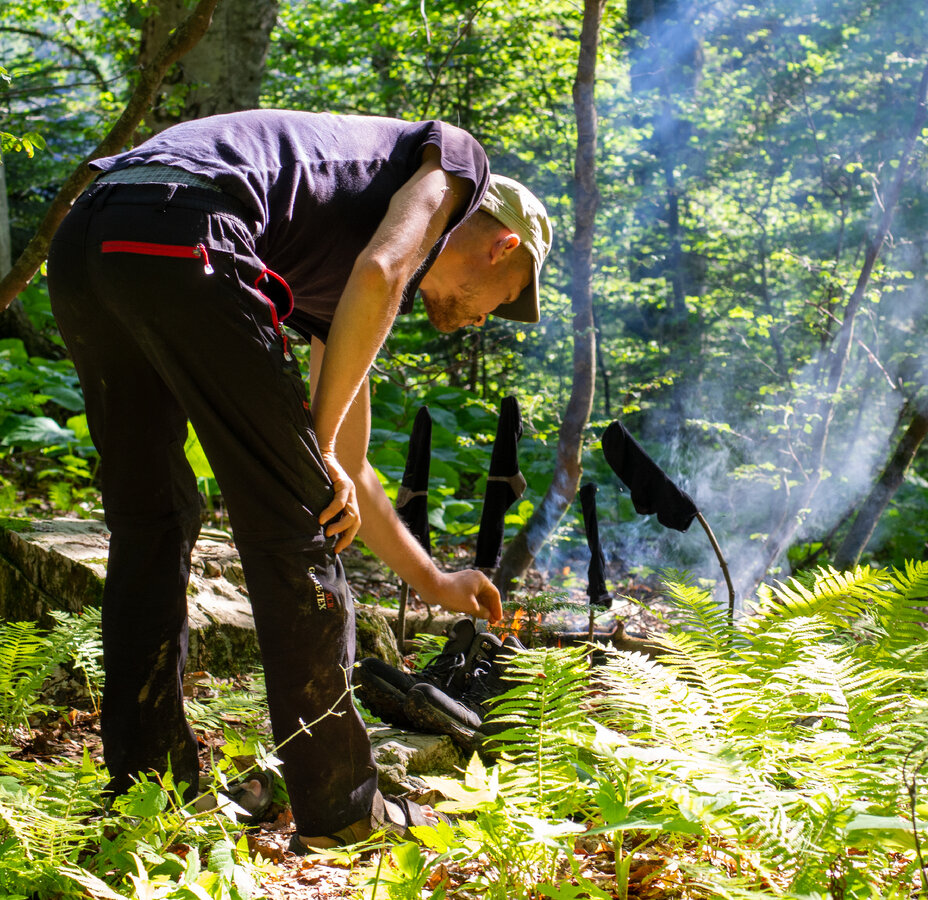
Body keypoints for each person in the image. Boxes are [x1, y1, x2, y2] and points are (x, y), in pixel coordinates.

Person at [46, 109, 552, 851]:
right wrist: (309, 470)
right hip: (189, 227)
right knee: (298, 525)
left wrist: (435, 580)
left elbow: (348, 465)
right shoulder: (454, 165)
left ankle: (150, 792)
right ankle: (343, 809)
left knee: (150, 521)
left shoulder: (329, 259)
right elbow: (384, 273)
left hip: (94, 233)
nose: (483, 321)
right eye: (503, 299)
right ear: (502, 245)